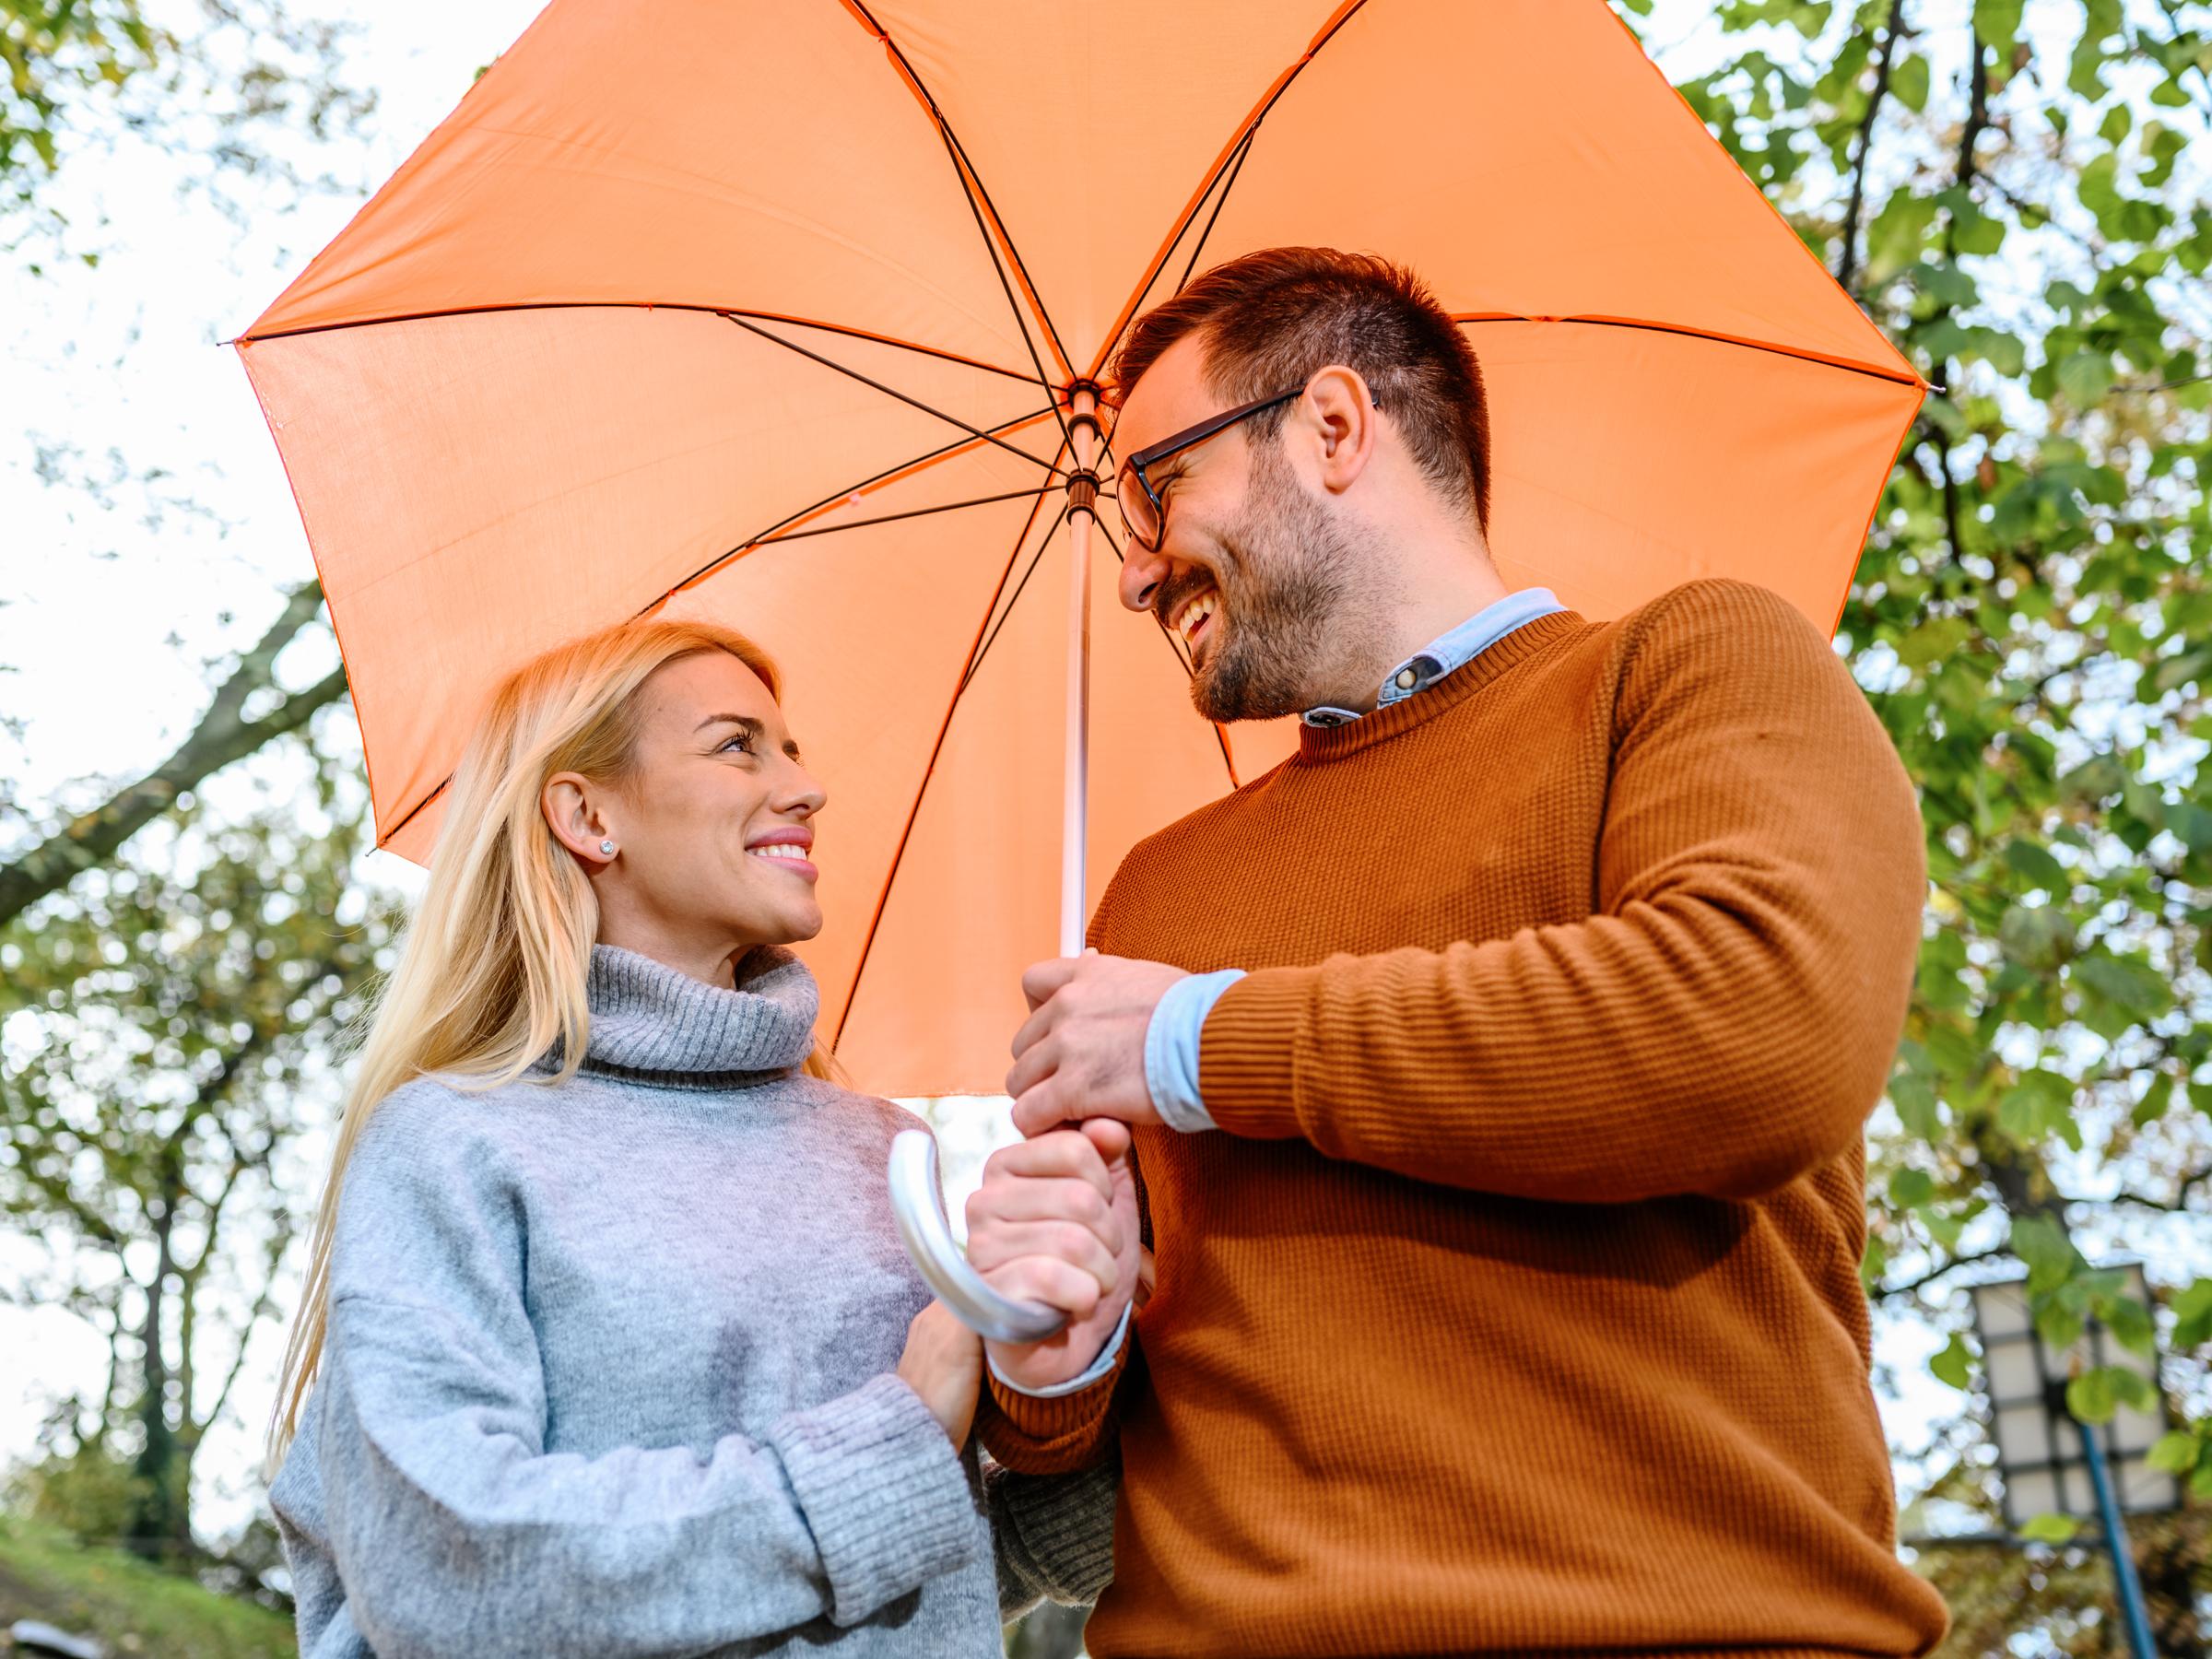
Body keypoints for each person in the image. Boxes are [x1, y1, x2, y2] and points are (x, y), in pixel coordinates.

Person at [962, 249, 1952, 1658]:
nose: (1133, 571)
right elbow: (1087, 1484)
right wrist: (1054, 1364)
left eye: (1157, 487)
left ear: (1333, 426)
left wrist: (1199, 1043)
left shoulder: (1692, 666)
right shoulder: (1150, 896)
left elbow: (1761, 1030)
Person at [266, 617, 1115, 1657]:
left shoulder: (880, 1150)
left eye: (791, 749)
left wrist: (1093, 1398)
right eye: (736, 745)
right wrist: (894, 1440)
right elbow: (453, 1573)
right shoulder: (454, 1144)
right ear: (586, 814)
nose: (806, 789)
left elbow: (904, 1570)